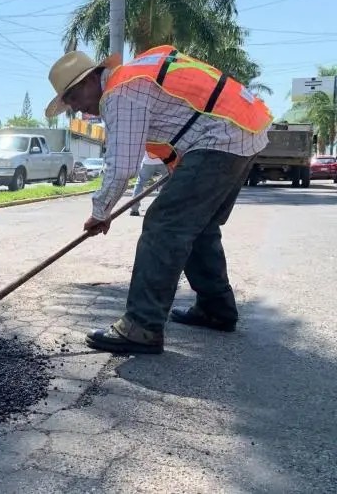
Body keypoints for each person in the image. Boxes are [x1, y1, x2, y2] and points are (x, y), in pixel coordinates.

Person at [44, 45, 272, 354]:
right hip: (242, 129)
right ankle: (216, 309)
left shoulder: (119, 93)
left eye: (71, 99)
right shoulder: (133, 80)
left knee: (163, 226)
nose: (76, 109)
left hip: (222, 137)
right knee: (197, 226)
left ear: (87, 82)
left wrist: (100, 212)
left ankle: (142, 325)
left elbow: (121, 166)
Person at [130, 151, 168, 216]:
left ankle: (134, 209)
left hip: (147, 161)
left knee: (140, 183)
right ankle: (163, 207)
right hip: (164, 160)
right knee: (167, 182)